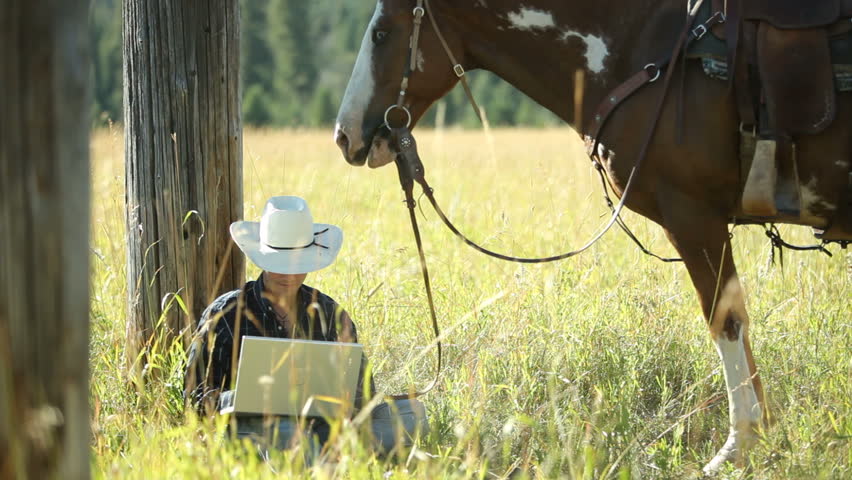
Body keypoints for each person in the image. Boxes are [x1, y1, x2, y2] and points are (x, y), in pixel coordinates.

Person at [183, 196, 428, 460]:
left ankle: (326, 453)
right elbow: (195, 398)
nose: (289, 274)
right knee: (291, 434)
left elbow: (362, 387)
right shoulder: (226, 313)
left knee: (411, 414)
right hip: (256, 430)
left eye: (297, 264)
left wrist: (349, 404)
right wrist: (241, 399)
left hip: (326, 425)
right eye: (279, 263)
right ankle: (330, 456)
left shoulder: (328, 311)